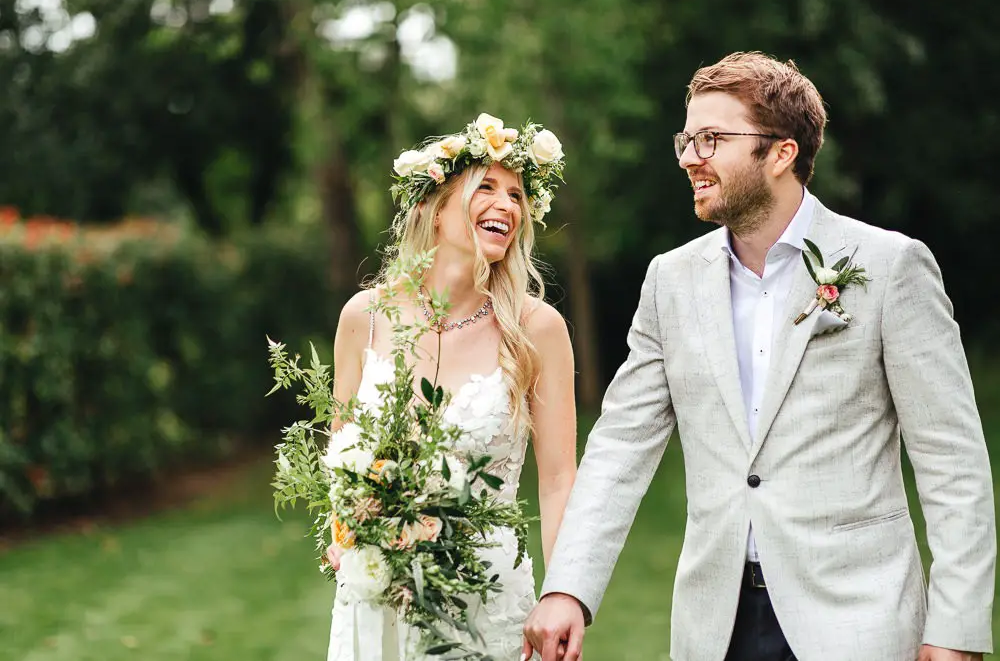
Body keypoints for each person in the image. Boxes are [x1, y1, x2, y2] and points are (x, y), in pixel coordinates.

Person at [523, 52, 996, 661]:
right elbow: (620, 444)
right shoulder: (670, 280)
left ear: (781, 153)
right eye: (687, 139)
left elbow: (951, 459)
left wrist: (955, 629)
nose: (691, 157)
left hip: (857, 621)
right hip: (714, 624)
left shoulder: (889, 266)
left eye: (712, 139)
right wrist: (568, 588)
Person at [324, 113, 578, 660]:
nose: (506, 205)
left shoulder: (536, 330)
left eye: (516, 195)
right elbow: (341, 450)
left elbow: (558, 480)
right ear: (433, 209)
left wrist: (563, 596)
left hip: (486, 598)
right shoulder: (364, 317)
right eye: (485, 187)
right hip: (377, 596)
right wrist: (348, 534)